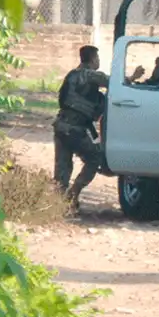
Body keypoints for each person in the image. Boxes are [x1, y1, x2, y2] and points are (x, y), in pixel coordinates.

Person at [53, 45, 112, 209]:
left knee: (62, 168)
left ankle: (58, 204)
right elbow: (113, 82)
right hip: (75, 129)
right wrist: (132, 77)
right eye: (98, 58)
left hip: (61, 126)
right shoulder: (89, 75)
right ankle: (73, 194)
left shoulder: (72, 74)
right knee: (95, 158)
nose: (99, 61)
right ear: (93, 59)